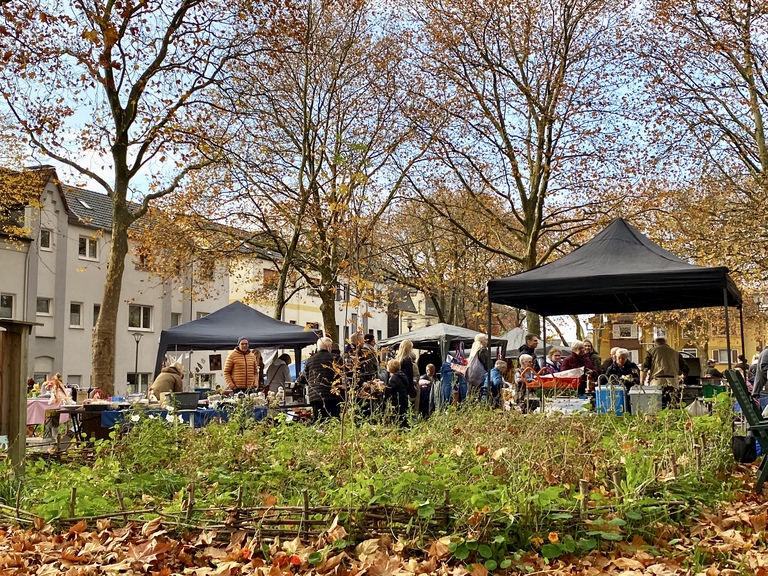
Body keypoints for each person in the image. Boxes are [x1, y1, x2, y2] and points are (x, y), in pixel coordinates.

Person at [297, 336, 342, 419]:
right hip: (333, 396)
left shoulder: (310, 360)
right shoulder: (336, 358)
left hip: (316, 396)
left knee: (319, 420)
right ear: (328, 347)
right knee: (333, 421)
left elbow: (302, 379)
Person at [640, 337, 689, 408]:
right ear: (666, 343)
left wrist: (642, 383)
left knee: (656, 407)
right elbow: (686, 369)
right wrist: (682, 377)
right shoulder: (676, 353)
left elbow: (644, 368)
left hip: (656, 383)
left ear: (655, 344)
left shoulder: (651, 351)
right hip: (673, 383)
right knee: (672, 406)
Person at [466, 334, 491, 399]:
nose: (487, 341)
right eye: (486, 340)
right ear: (482, 341)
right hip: (481, 380)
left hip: (472, 380)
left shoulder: (473, 351)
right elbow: (488, 365)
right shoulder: (483, 351)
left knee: (473, 398)